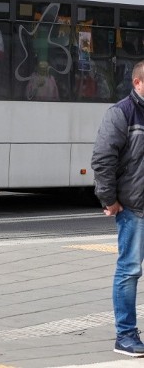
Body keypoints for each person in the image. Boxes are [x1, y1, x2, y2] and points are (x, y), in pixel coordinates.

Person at [92, 60, 144, 357]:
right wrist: (109, 200)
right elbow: (102, 159)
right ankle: (125, 335)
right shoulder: (121, 113)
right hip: (135, 208)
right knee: (129, 270)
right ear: (137, 83)